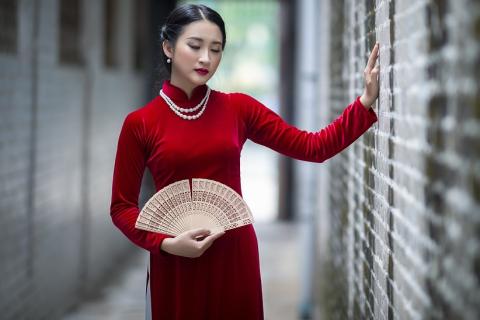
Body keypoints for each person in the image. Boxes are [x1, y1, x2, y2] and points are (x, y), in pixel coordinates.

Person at [110, 3, 380, 320]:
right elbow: (121, 207)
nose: (205, 59)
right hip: (174, 260)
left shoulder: (239, 109)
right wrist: (165, 243)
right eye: (194, 46)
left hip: (234, 253)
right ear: (168, 47)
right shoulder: (140, 123)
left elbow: (312, 147)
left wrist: (364, 102)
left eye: (216, 49)